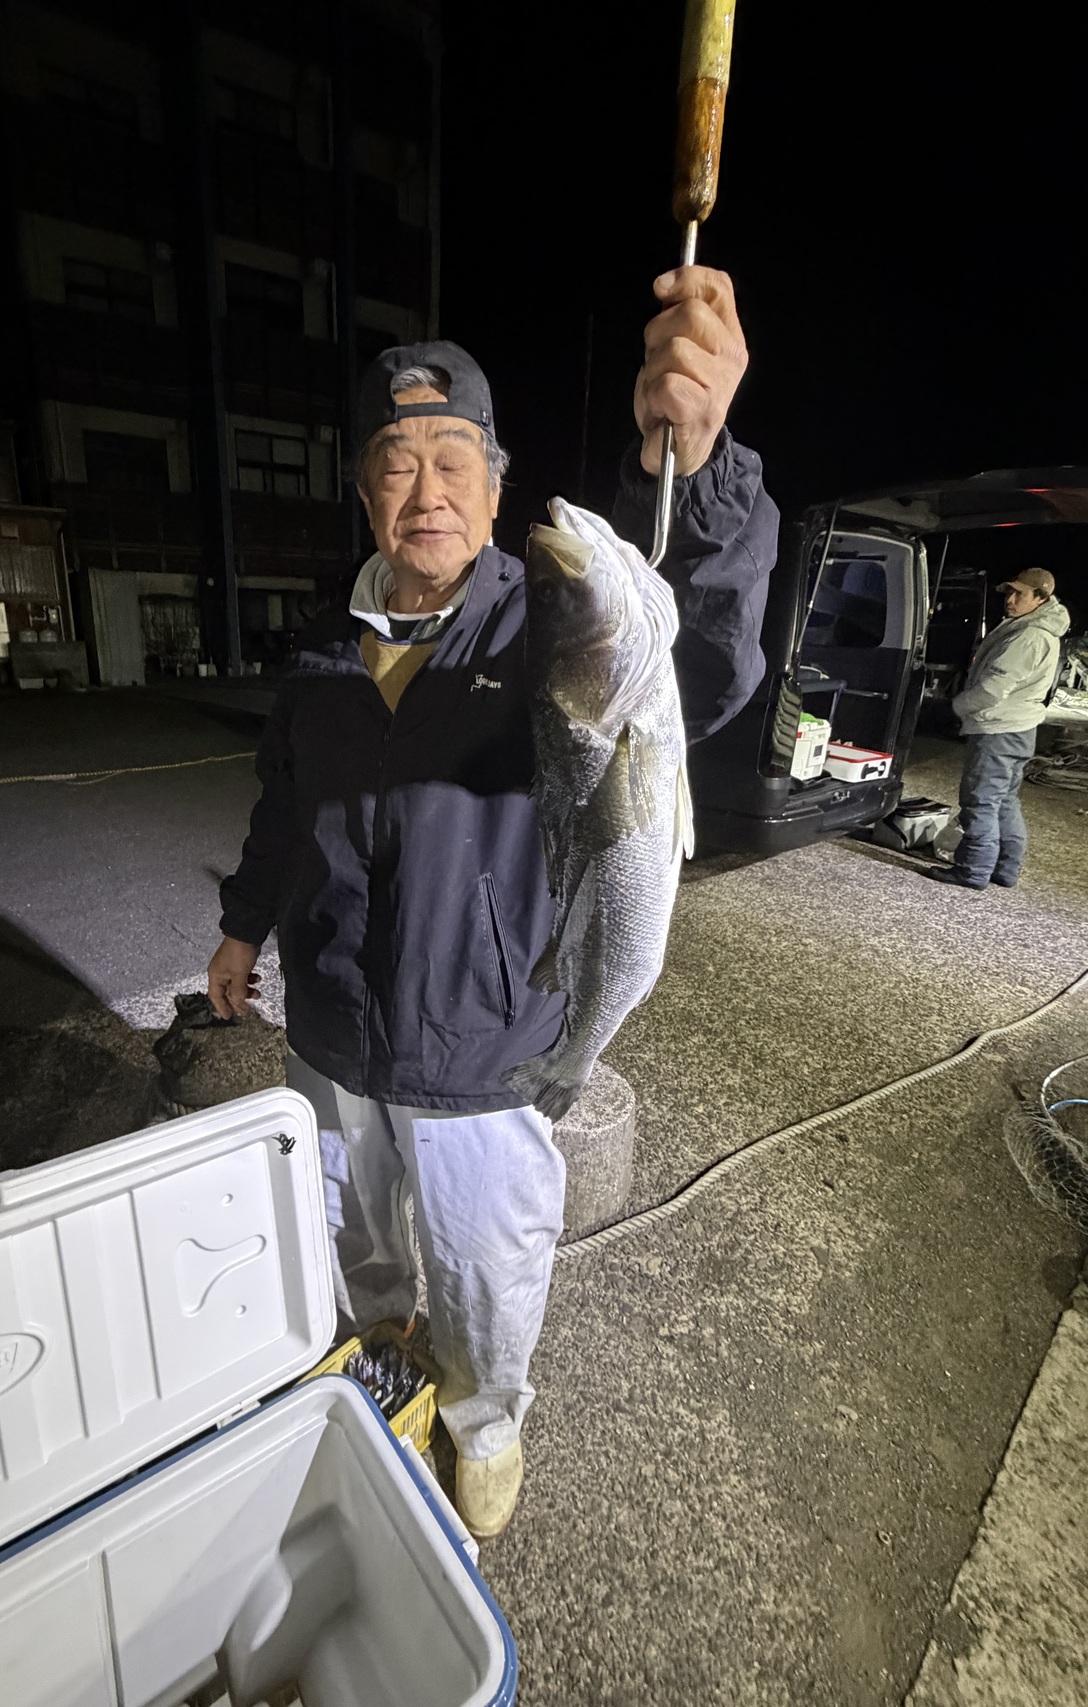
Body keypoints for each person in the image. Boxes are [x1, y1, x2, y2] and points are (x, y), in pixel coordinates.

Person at [207, 268, 779, 1539]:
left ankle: (483, 1420)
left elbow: (694, 655)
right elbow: (281, 805)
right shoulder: (320, 648)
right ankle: (378, 1338)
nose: (427, 490)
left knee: (485, 1266)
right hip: (330, 1031)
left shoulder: (544, 633)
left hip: (486, 1041)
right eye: (397, 462)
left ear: (494, 483)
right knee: (353, 1227)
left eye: (453, 460)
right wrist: (243, 924)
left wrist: (695, 468)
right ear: (364, 489)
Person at [930, 568, 1069, 889]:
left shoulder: (1028, 636)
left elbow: (992, 690)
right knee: (1004, 800)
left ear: (1041, 598)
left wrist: (953, 707)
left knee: (980, 801)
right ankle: (1005, 868)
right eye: (1009, 592)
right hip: (1019, 729)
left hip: (999, 730)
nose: (1010, 599)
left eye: (1020, 593)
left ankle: (972, 870)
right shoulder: (1035, 629)